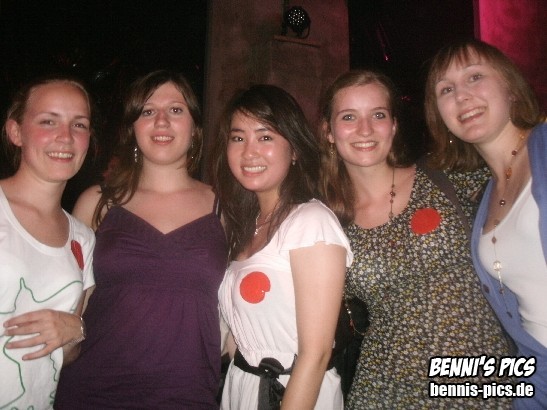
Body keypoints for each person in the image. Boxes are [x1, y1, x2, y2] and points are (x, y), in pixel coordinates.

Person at [319, 69, 513, 409]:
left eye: (378, 115)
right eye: (349, 117)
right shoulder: (330, 222)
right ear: (329, 132)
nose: (365, 129)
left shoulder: (446, 178)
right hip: (385, 388)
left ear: (394, 125)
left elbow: (521, 185)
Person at [54, 70, 228, 408]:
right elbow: (69, 303)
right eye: (148, 111)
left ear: (195, 127)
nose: (161, 121)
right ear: (133, 127)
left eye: (175, 110)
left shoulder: (225, 208)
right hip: (93, 392)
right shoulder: (97, 203)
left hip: (187, 395)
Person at [211, 84, 353, 409]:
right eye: (238, 138)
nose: (249, 152)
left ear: (295, 150)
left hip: (293, 394)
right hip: (243, 387)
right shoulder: (243, 227)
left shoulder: (311, 222)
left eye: (265, 137)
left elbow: (315, 356)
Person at [425, 39, 547, 409]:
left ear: (511, 87)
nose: (462, 96)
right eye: (446, 90)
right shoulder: (486, 195)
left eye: (475, 77)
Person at [0, 76, 95, 409]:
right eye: (48, 121)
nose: (65, 137)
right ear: (16, 132)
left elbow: (65, 354)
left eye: (79, 124)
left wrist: (76, 329)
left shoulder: (82, 238)